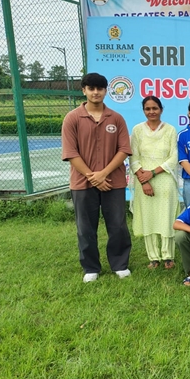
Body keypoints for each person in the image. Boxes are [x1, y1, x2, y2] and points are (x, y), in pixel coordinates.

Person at [61, 72, 132, 283]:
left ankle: (120, 264)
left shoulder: (116, 118)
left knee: (118, 225)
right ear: (84, 90)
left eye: (99, 88)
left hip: (113, 182)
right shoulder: (72, 118)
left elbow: (124, 150)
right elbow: (70, 152)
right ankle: (91, 267)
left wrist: (103, 174)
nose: (95, 92)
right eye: (91, 88)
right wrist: (93, 177)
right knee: (85, 227)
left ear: (105, 91)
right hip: (82, 183)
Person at [129, 95, 180, 269]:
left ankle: (168, 256)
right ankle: (153, 257)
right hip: (143, 181)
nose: (151, 112)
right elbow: (133, 157)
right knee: (148, 218)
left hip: (165, 178)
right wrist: (144, 180)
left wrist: (152, 173)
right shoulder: (137, 130)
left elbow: (174, 157)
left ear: (161, 109)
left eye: (155, 108)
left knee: (166, 217)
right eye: (148, 109)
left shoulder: (170, 130)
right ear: (144, 111)